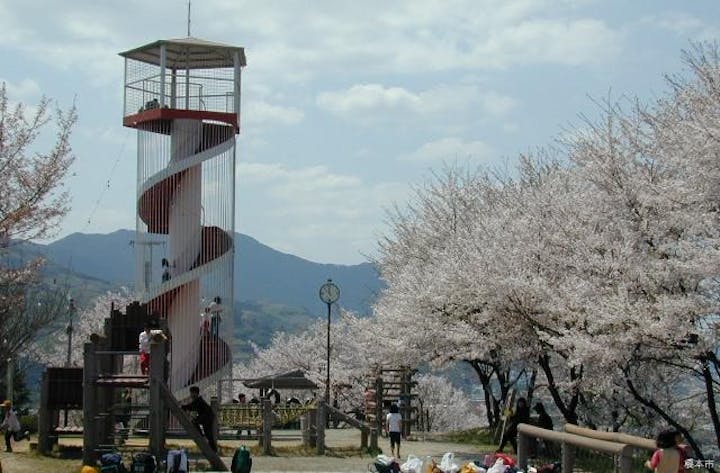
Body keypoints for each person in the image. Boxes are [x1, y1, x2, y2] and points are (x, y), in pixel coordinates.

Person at [181, 386, 217, 451]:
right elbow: (191, 406)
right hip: (205, 417)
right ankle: (212, 448)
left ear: (196, 393)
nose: (191, 395)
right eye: (191, 393)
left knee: (208, 433)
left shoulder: (198, 400)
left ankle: (202, 437)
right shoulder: (198, 400)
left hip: (207, 417)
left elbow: (190, 407)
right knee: (208, 434)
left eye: (192, 393)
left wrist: (182, 407)